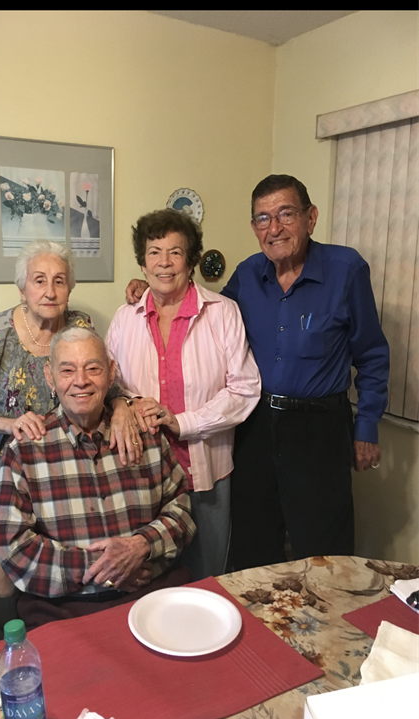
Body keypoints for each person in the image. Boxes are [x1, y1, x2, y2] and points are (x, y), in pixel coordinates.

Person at [126, 177, 390, 570]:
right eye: (263, 218)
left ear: (310, 217)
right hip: (256, 424)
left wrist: (366, 427)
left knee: (323, 543)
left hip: (318, 426)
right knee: (253, 538)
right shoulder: (248, 275)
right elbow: (203, 309)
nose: (274, 227)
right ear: (254, 228)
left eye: (286, 214)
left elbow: (371, 353)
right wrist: (151, 287)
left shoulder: (346, 269)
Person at [0, 325, 196, 625]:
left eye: (93, 368)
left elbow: (182, 510)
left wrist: (142, 546)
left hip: (153, 594)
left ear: (111, 373)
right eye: (67, 370)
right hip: (66, 608)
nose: (80, 381)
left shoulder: (145, 434)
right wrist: (108, 567)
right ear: (50, 377)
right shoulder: (25, 450)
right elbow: (15, 550)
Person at [0, 239, 142, 569]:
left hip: (64, 481)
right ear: (22, 287)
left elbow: (102, 381)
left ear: (69, 288)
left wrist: (123, 407)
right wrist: (10, 424)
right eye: (39, 280)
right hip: (6, 480)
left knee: (61, 570)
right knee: (10, 577)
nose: (50, 291)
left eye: (59, 281)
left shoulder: (80, 326)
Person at [108, 209, 261, 580]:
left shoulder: (223, 313)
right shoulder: (124, 318)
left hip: (204, 471)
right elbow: (109, 383)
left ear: (190, 261)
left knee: (208, 579)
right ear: (142, 263)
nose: (164, 263)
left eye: (175, 252)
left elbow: (245, 386)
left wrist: (184, 422)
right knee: (149, 581)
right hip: (143, 476)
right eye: (154, 252)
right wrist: (124, 404)